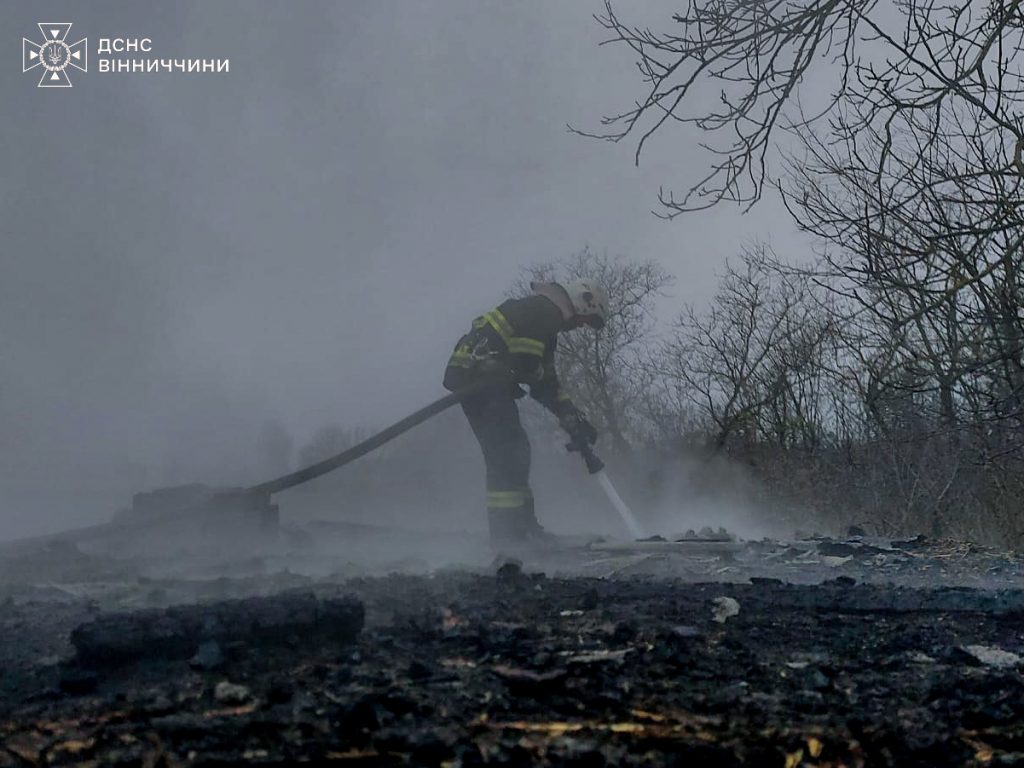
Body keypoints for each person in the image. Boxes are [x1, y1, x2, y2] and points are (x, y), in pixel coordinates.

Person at [443, 279, 609, 549]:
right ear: (582, 301)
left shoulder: (543, 320)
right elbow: (531, 370)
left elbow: (546, 382)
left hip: (481, 381)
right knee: (508, 454)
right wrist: (566, 414)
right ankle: (509, 536)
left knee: (514, 452)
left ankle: (520, 528)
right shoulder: (544, 312)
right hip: (481, 382)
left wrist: (573, 417)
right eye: (584, 320)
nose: (580, 326)